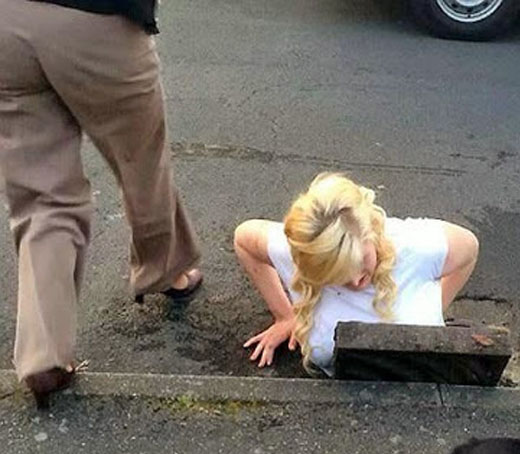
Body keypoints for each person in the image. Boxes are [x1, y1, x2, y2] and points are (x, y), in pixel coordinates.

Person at [0, 0, 203, 407]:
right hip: (98, 20)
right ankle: (164, 271)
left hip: (7, 23)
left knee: (42, 195)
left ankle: (45, 353)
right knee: (141, 162)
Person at [234, 172, 479, 376]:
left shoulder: (419, 248)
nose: (355, 281)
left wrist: (436, 307)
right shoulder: (296, 251)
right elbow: (244, 240)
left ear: (370, 232)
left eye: (363, 261)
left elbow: (470, 248)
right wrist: (285, 316)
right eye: (335, 275)